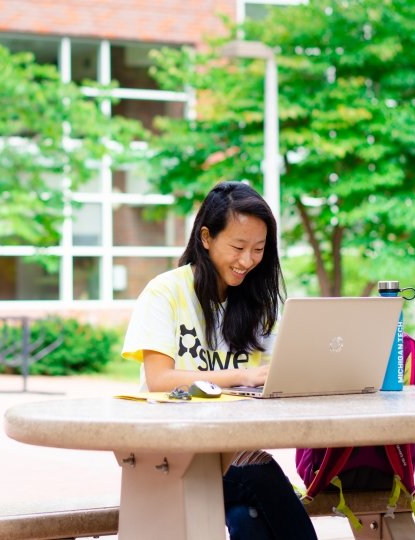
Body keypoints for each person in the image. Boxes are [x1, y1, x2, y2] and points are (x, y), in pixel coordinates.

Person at [120, 181, 318, 539]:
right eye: (238, 247)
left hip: (230, 448)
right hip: (172, 449)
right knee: (262, 478)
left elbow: (271, 376)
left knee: (248, 521)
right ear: (207, 237)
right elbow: (159, 379)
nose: (247, 261)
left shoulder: (258, 303)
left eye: (258, 249)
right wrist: (241, 374)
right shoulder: (166, 292)